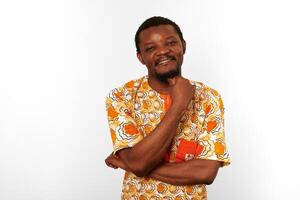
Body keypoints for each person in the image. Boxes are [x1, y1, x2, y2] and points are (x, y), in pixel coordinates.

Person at [105, 16, 230, 199]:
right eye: (150, 48)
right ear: (141, 57)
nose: (163, 51)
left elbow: (206, 172)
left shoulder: (208, 97)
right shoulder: (121, 97)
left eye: (171, 42)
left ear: (183, 46)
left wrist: (131, 163)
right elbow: (138, 163)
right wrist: (179, 105)